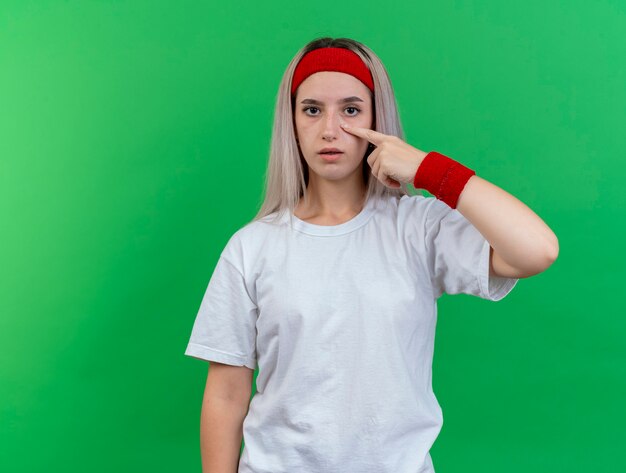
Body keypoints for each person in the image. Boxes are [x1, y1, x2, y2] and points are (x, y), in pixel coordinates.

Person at [184, 37, 559, 473]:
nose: (330, 129)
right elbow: (226, 394)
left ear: (377, 118)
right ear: (291, 122)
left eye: (350, 109)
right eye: (311, 110)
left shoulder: (417, 228)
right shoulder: (252, 247)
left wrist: (428, 169)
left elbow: (537, 250)